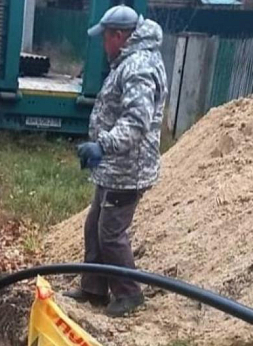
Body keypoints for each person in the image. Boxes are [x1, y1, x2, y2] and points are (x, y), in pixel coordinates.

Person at [64, 5, 168, 317]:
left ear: (119, 36)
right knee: (94, 224)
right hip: (115, 166)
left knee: (110, 233)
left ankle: (128, 293)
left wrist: (102, 145)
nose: (102, 44)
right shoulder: (128, 61)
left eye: (105, 38)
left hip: (128, 168)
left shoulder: (138, 67)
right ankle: (94, 288)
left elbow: (136, 122)